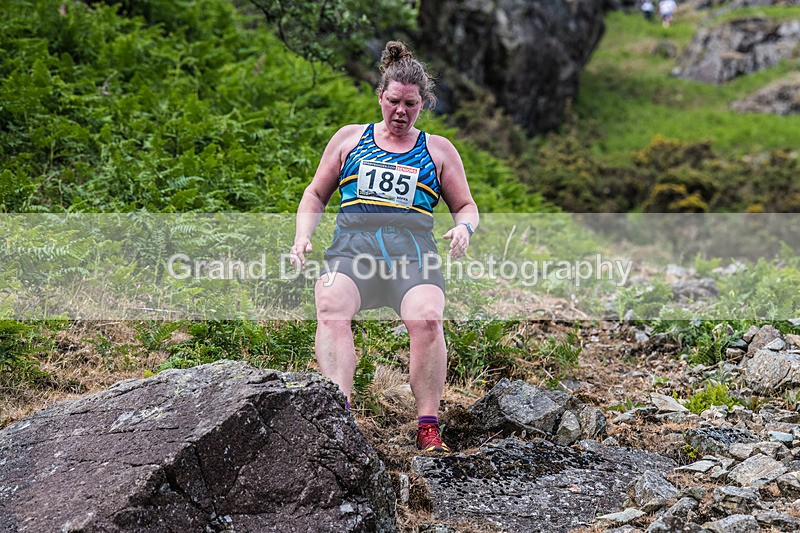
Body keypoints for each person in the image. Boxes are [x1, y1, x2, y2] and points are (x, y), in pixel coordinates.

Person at [290, 41, 479, 454]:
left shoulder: (438, 149)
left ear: (422, 104)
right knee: (330, 304)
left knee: (428, 318)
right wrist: (303, 235)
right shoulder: (349, 139)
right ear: (380, 96)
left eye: (410, 104)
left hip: (411, 256)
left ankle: (428, 426)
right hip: (352, 251)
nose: (400, 112)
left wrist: (464, 228)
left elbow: (465, 205)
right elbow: (315, 194)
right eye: (393, 101)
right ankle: (339, 414)